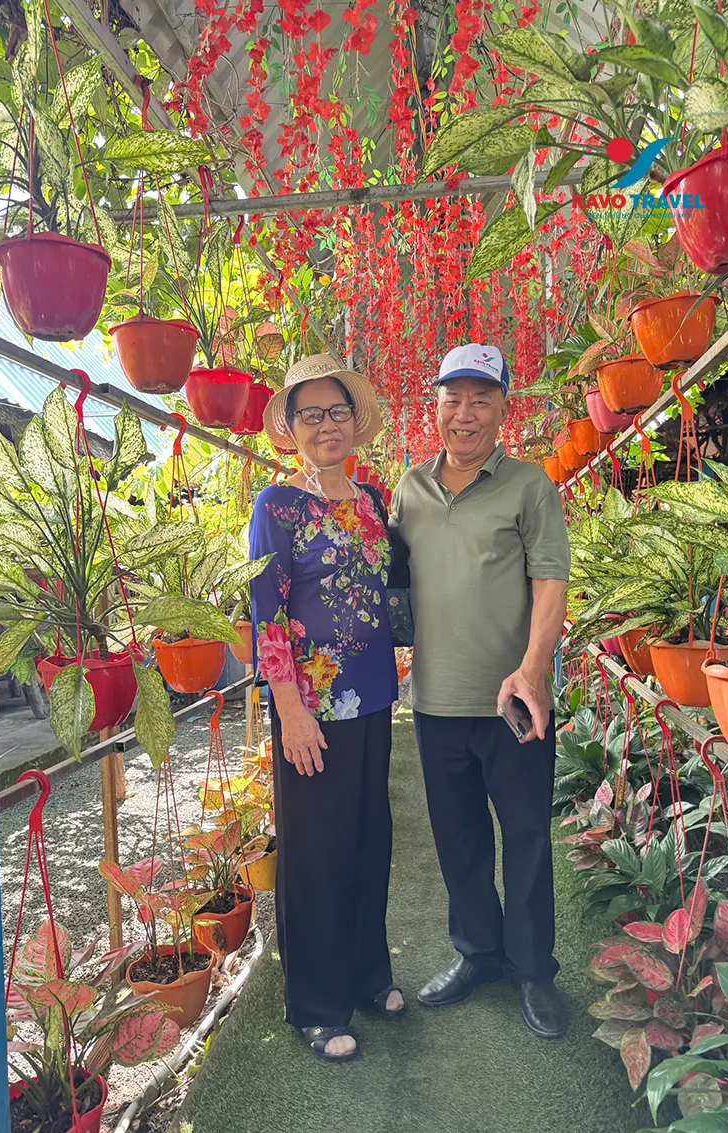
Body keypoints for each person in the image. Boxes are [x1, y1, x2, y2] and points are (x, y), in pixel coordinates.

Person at [389, 343, 571, 1039]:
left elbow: (550, 582)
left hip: (513, 703)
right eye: (452, 399)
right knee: (458, 839)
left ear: (501, 409)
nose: (464, 414)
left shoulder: (529, 486)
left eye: (480, 399)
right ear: (435, 405)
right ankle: (478, 954)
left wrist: (533, 670)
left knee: (526, 838)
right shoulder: (409, 490)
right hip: (435, 701)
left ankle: (533, 969)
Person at [248, 353, 402, 1064]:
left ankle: (368, 973)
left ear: (353, 420)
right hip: (311, 707)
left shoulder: (372, 500)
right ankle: (315, 1002)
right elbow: (267, 614)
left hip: (373, 699)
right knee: (315, 853)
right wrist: (289, 709)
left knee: (370, 839)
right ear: (291, 426)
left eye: (337, 411)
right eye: (310, 414)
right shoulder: (276, 506)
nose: (326, 425)